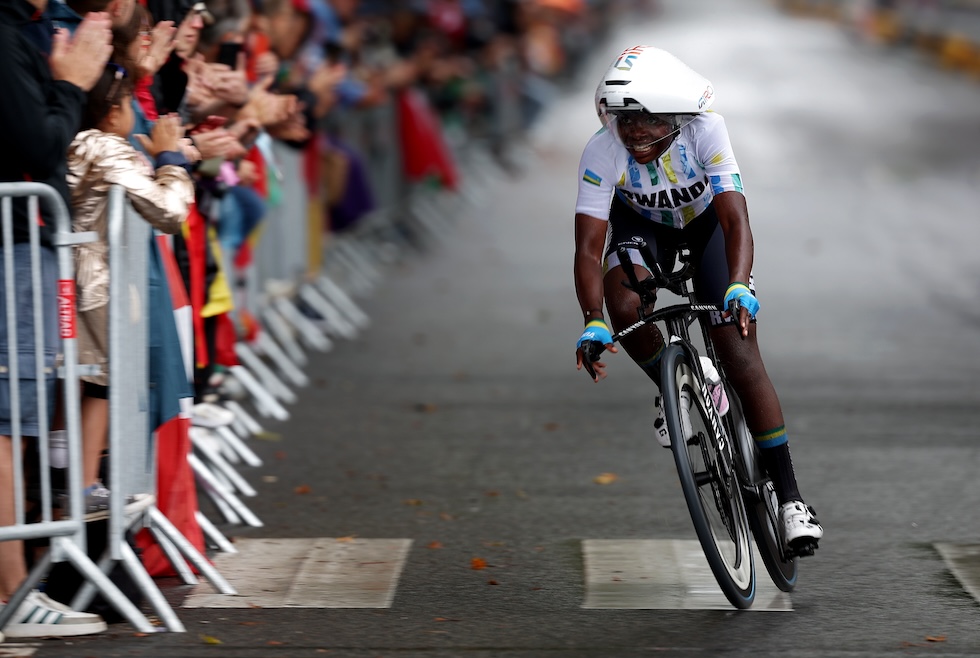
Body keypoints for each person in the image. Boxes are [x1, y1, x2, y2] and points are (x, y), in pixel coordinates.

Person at [572, 45, 823, 556]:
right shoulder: (602, 151)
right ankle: (678, 381)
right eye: (624, 120)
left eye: (647, 120)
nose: (634, 132)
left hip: (708, 229)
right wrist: (591, 320)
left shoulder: (707, 130)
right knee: (622, 305)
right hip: (642, 233)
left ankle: (791, 499)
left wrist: (737, 283)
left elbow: (736, 219)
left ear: (677, 118)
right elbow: (588, 245)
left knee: (738, 347)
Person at [0, 0, 113, 638]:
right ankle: (12, 595)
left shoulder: (21, 29)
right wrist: (71, 82)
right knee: (6, 425)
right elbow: (38, 142)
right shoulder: (6, 35)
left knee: (14, 421)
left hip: (24, 240)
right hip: (12, 240)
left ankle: (16, 591)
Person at [66, 63, 195, 513]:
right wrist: (171, 160)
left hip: (82, 274)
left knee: (83, 382)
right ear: (114, 110)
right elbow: (169, 211)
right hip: (94, 280)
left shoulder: (85, 143)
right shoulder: (103, 146)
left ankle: (73, 479)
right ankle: (81, 486)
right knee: (102, 380)